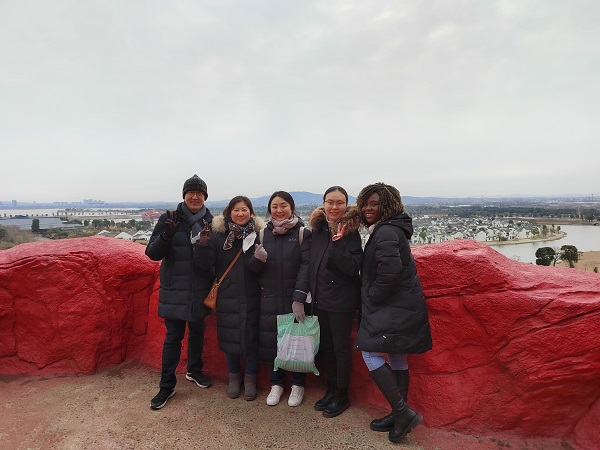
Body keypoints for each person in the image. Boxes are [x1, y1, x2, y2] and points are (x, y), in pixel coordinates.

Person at [355, 182, 432, 444]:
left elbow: (389, 272)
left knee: (369, 353)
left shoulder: (386, 231)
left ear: (388, 206)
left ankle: (402, 412)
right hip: (402, 305)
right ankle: (398, 414)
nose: (368, 208)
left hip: (392, 305)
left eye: (375, 204)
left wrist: (372, 296)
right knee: (398, 355)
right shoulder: (392, 228)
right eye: (365, 204)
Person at [145, 174, 214, 410]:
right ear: (184, 195)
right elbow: (152, 254)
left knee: (197, 333)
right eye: (191, 193)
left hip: (199, 289)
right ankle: (166, 385)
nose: (195, 197)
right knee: (173, 338)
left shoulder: (212, 222)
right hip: (175, 289)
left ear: (205, 197)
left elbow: (214, 260)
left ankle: (194, 370)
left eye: (199, 193)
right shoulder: (169, 218)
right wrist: (166, 236)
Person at [194, 196, 264, 401]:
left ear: (251, 213)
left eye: (244, 210)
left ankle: (250, 378)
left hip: (253, 294)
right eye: (236, 210)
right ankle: (234, 376)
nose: (240, 214)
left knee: (253, 338)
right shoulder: (218, 235)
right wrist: (203, 245)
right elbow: (205, 265)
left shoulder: (259, 235)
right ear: (229, 212)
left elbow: (261, 269)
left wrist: (259, 261)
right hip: (227, 294)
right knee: (229, 337)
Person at [248, 191, 311, 407]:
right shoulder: (262, 234)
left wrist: (299, 297)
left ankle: (298, 384)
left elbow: (306, 266)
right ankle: (276, 383)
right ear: (269, 209)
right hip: (269, 297)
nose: (279, 210)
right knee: (273, 341)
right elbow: (252, 269)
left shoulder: (302, 233)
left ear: (291, 207)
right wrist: (257, 260)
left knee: (297, 341)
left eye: (283, 205)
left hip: (294, 297)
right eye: (274, 206)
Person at [308, 186, 362, 418]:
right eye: (330, 202)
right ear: (323, 204)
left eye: (340, 202)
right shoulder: (318, 229)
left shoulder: (351, 231)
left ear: (347, 205)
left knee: (340, 349)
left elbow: (353, 268)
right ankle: (330, 389)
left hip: (341, 301)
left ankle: (342, 394)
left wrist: (339, 245)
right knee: (326, 347)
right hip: (320, 298)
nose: (334, 207)